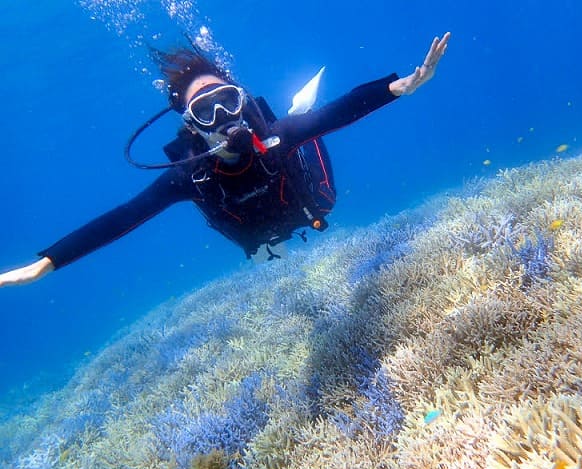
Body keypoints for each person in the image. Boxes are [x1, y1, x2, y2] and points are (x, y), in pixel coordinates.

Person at [0, 32, 450, 287]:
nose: (223, 117)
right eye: (205, 110)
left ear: (241, 101)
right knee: (299, 140)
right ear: (191, 125)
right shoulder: (188, 177)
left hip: (309, 205)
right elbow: (123, 217)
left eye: (227, 101)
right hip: (259, 238)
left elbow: (342, 110)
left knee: (310, 131)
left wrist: (400, 85)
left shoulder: (271, 136)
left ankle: (298, 110)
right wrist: (48, 261)